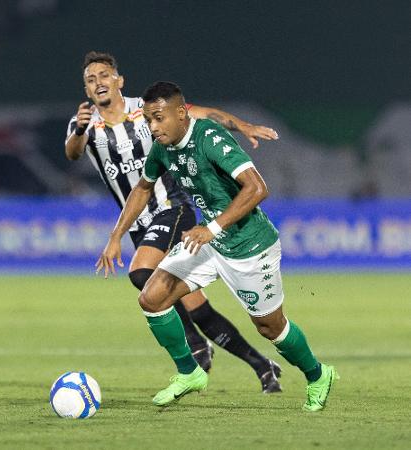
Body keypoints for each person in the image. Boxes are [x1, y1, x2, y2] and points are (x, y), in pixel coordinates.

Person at [96, 81, 338, 411]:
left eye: (158, 118)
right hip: (208, 242)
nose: (153, 127)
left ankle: (317, 374)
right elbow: (142, 188)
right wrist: (115, 236)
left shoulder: (208, 138)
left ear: (180, 114)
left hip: (250, 246)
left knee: (270, 327)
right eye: (149, 120)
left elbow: (257, 188)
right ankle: (189, 372)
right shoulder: (162, 148)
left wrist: (211, 227)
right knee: (152, 297)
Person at [66, 51, 282, 393]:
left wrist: (243, 125)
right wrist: (78, 129)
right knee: (195, 307)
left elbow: (202, 114)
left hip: (172, 207)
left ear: (119, 80)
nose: (98, 83)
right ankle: (263, 366)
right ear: (87, 89)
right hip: (140, 224)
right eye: (90, 80)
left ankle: (195, 348)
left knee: (140, 273)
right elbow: (73, 152)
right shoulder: (85, 124)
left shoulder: (150, 109)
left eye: (104, 75)